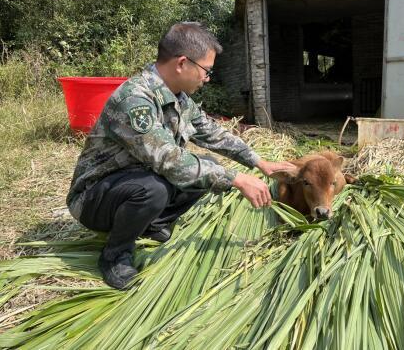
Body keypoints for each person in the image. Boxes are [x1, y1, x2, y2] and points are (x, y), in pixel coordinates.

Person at [66, 22, 295, 290]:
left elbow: (212, 133)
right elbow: (170, 160)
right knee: (155, 189)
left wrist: (259, 162)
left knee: (208, 167)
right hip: (95, 197)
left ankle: (152, 223)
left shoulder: (180, 99)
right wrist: (237, 179)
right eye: (206, 71)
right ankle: (115, 256)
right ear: (182, 63)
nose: (207, 79)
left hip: (133, 181)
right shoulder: (135, 100)